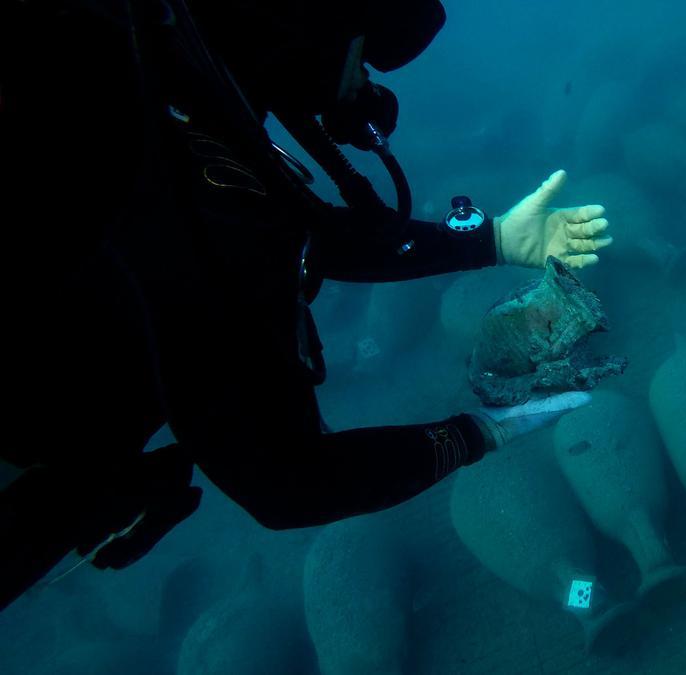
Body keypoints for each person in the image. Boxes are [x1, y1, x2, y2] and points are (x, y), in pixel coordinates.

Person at [0, 0, 612, 610]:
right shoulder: (151, 138)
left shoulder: (147, 90)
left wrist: (495, 240)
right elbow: (287, 485)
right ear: (309, 31)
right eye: (364, 56)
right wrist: (480, 433)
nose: (365, 89)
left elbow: (292, 235)